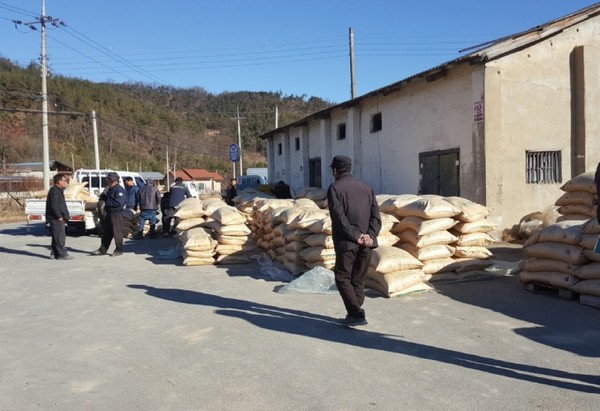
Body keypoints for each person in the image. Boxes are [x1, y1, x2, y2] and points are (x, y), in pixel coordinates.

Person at [327, 155, 381, 327]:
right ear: (349, 169)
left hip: (348, 243)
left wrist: (355, 236)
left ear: (335, 171)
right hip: (367, 243)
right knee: (358, 279)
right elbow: (376, 217)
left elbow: (339, 218)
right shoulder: (367, 188)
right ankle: (355, 312)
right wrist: (369, 236)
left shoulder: (335, 188)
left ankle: (356, 314)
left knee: (342, 277)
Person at [90, 172, 127, 256]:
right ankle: (103, 249)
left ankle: (118, 250)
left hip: (116, 214)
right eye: (107, 179)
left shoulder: (120, 190)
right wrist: (102, 198)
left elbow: (119, 203)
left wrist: (106, 202)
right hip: (108, 213)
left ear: (114, 180)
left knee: (117, 233)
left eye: (109, 179)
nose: (107, 181)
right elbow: (104, 198)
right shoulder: (109, 189)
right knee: (106, 232)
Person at [45, 173, 72, 260]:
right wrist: (59, 216)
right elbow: (54, 205)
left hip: (58, 217)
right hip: (56, 217)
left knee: (56, 235)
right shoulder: (55, 191)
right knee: (60, 236)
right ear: (59, 181)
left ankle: (54, 253)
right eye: (64, 181)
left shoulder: (58, 190)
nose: (65, 182)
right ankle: (62, 254)